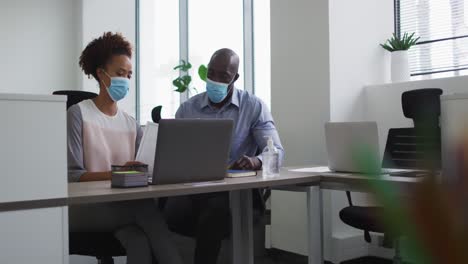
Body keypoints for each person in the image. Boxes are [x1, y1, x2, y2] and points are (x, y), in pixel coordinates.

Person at [67, 32, 182, 264]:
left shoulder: (131, 123)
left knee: (138, 240)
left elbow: (142, 170)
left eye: (129, 75)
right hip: (85, 208)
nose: (126, 80)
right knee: (146, 211)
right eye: (120, 74)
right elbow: (72, 176)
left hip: (121, 207)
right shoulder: (78, 114)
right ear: (101, 74)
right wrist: (119, 173)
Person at [164, 48, 284, 264]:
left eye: (223, 76)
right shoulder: (187, 109)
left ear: (235, 78)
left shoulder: (253, 106)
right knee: (156, 208)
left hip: (235, 194)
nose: (215, 80)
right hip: (193, 191)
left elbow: (276, 152)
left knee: (215, 209)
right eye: (211, 73)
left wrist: (255, 161)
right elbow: (173, 153)